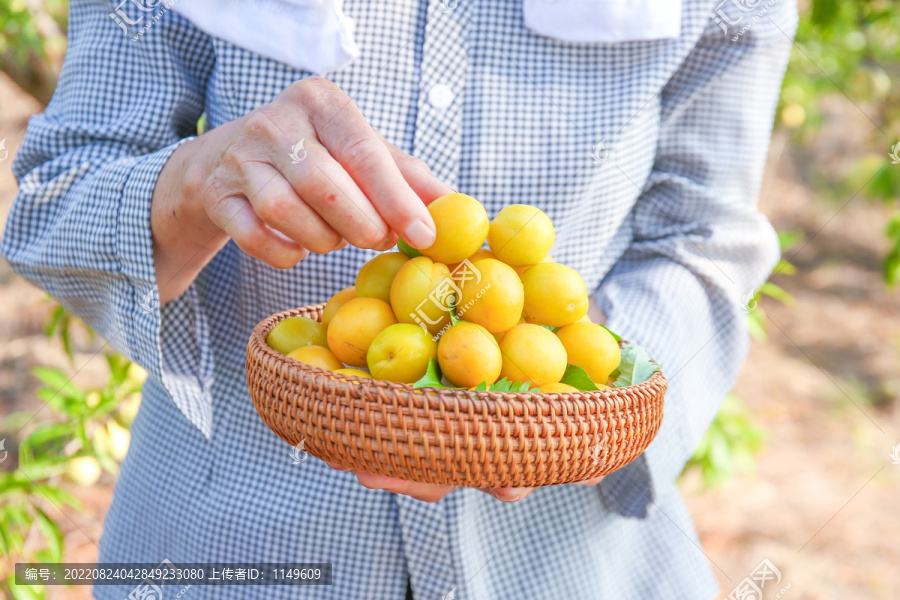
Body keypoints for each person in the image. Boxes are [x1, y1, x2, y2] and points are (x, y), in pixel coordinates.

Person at [1, 0, 797, 597]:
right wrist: (194, 183)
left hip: (576, 567)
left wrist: (567, 431)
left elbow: (702, 237)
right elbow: (53, 201)